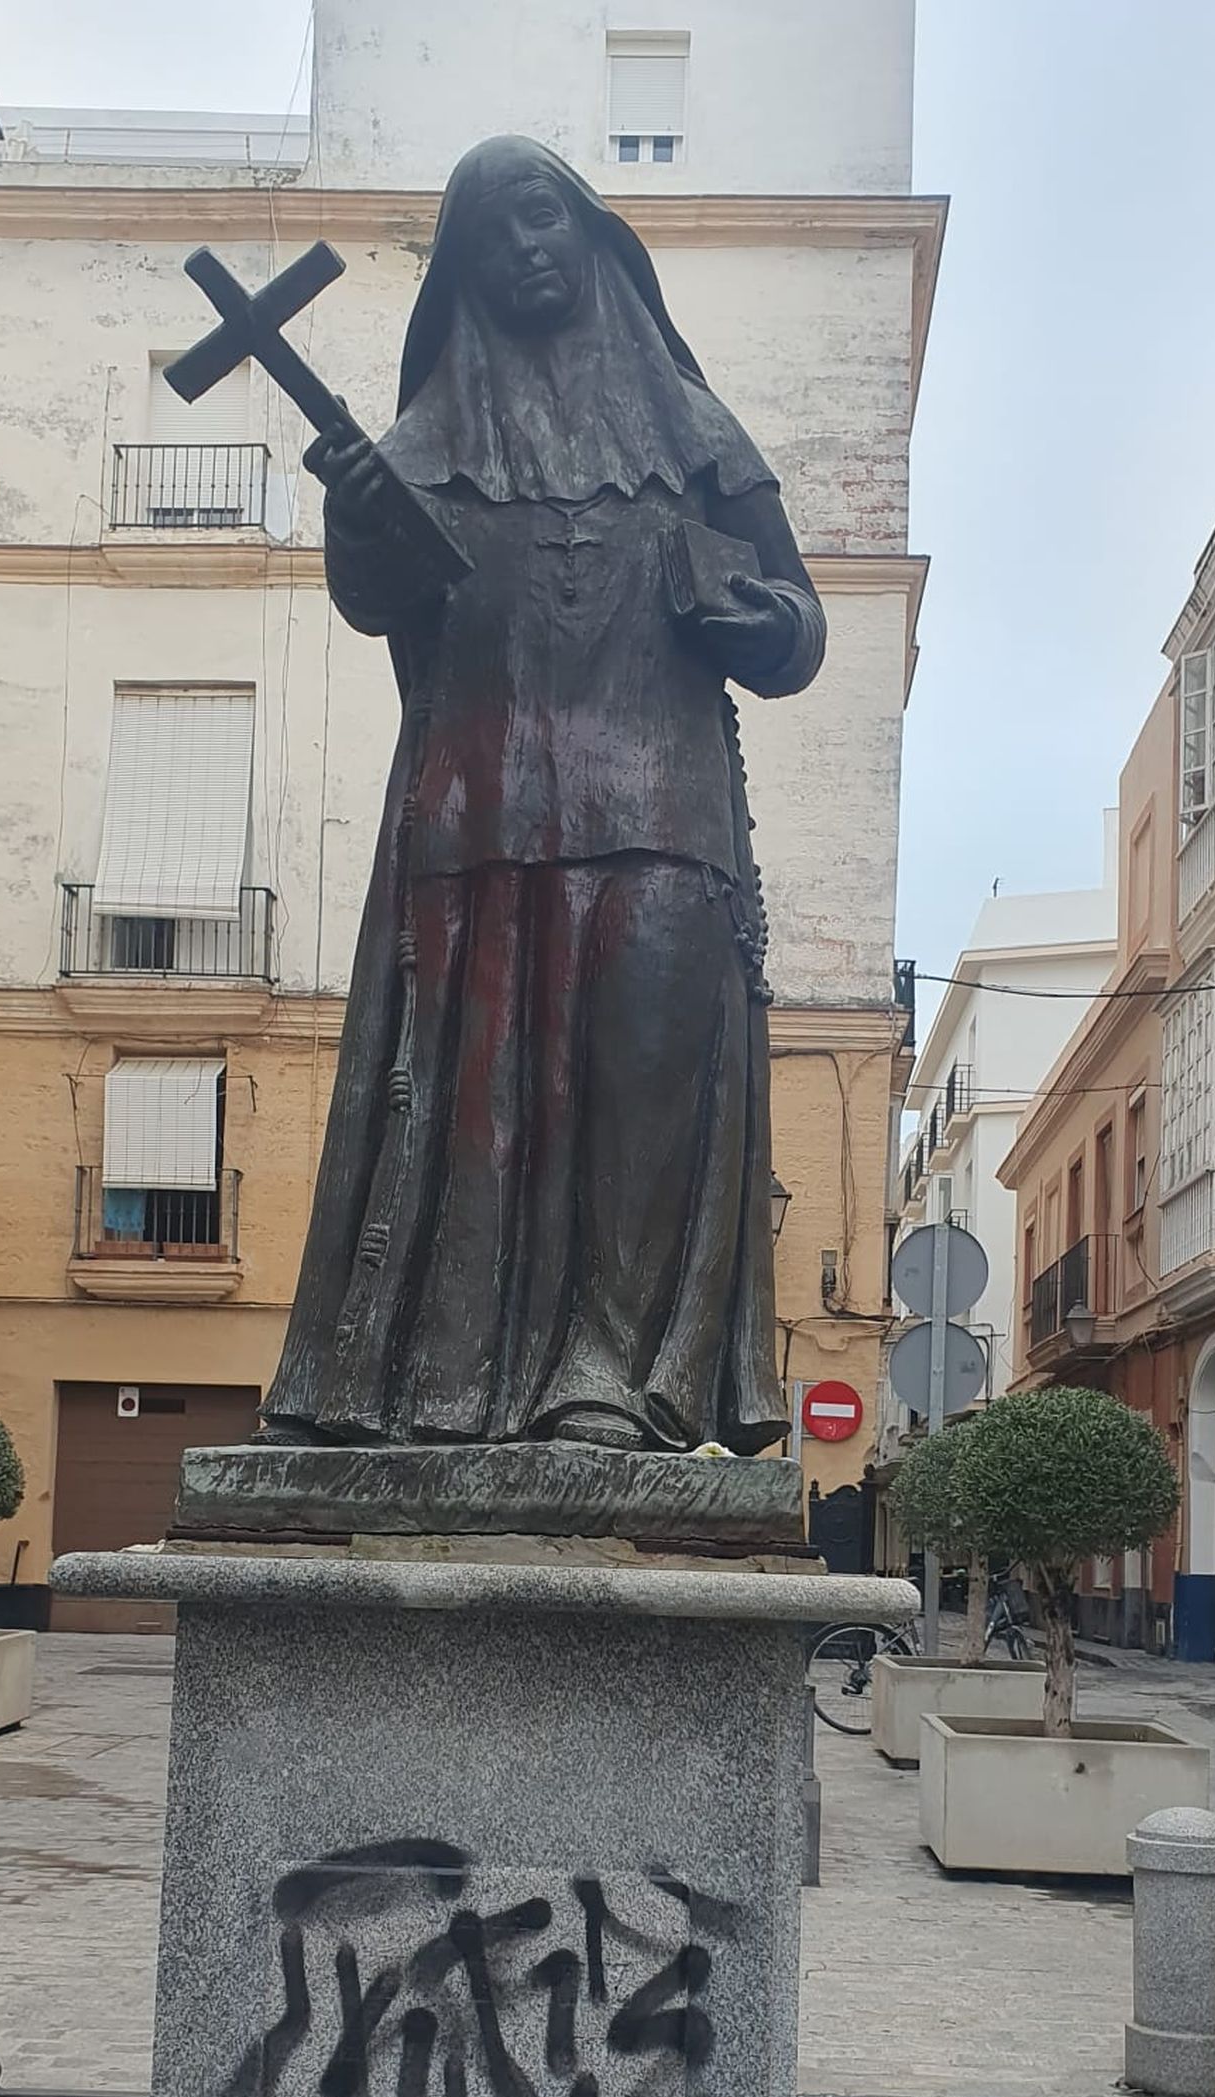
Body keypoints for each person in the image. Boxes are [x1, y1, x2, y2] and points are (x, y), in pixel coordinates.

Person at [264, 135, 827, 1454]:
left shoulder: (698, 437)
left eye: (539, 219)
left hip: (666, 816)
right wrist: (357, 517)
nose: (522, 251)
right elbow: (375, 600)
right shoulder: (421, 443)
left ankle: (613, 1371)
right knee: (481, 1107)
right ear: (459, 277)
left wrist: (749, 611)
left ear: (586, 231)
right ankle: (436, 1382)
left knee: (645, 1083)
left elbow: (798, 633)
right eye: (488, 239)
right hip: (485, 814)